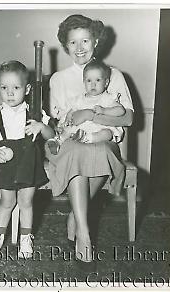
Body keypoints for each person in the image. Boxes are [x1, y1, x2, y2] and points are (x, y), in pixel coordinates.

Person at [46, 14, 134, 265]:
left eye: (85, 40)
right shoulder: (59, 79)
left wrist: (93, 114)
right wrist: (76, 120)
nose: (80, 48)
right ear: (66, 46)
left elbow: (126, 119)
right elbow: (61, 122)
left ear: (96, 41)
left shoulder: (113, 74)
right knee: (76, 149)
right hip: (71, 142)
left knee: (96, 148)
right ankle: (84, 234)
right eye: (73, 43)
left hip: (103, 140)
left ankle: (76, 213)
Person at [0, 60, 54, 259]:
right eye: (4, 87)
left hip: (30, 162)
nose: (10, 93)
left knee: (26, 201)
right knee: (6, 201)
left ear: (27, 89)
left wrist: (41, 127)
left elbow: (51, 134)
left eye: (16, 87)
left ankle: (25, 238)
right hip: (7, 165)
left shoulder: (34, 113)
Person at [46, 59, 125, 155]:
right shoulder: (79, 99)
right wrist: (67, 120)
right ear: (84, 82)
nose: (93, 84)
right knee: (68, 130)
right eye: (89, 80)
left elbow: (120, 111)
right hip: (80, 129)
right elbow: (71, 112)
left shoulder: (107, 98)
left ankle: (88, 138)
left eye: (98, 80)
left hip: (98, 129)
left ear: (106, 82)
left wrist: (104, 110)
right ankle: (58, 141)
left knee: (107, 134)